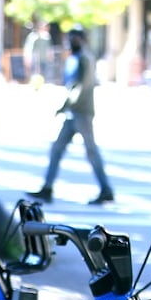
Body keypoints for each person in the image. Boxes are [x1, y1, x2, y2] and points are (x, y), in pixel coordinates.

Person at [27, 24, 115, 206]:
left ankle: (106, 189)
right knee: (57, 149)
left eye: (74, 38)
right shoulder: (76, 57)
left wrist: (67, 104)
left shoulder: (85, 58)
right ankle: (47, 188)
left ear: (82, 39)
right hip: (73, 112)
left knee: (91, 151)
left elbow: (82, 86)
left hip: (81, 112)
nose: (71, 42)